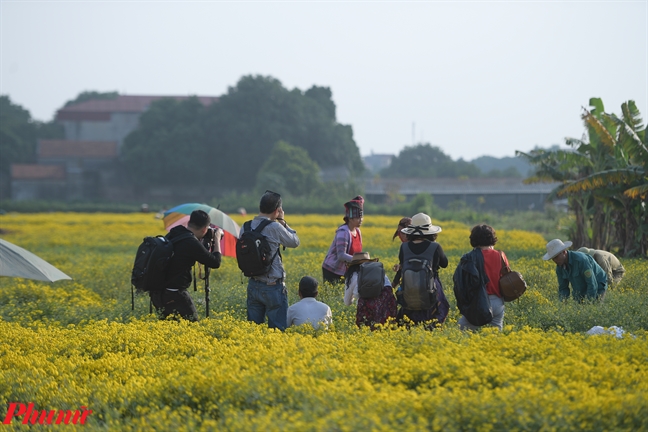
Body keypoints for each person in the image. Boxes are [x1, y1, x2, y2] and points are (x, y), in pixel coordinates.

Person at [150, 210, 223, 321]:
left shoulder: (174, 233)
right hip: (175, 295)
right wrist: (217, 238)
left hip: (157, 294)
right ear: (204, 229)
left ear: (189, 222)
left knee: (169, 330)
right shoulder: (190, 242)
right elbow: (215, 262)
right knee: (192, 327)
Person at [242, 190, 300, 330]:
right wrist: (282, 222)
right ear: (277, 210)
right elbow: (294, 241)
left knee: (253, 331)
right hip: (272, 286)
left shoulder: (246, 226)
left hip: (253, 284)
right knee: (277, 331)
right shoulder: (274, 227)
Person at [395, 213, 450, 328]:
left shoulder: (404, 247)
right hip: (431, 286)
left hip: (409, 286)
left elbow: (402, 265)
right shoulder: (435, 247)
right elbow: (444, 264)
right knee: (440, 309)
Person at [457, 224, 508, 331]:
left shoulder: (470, 257)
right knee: (496, 338)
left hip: (478, 302)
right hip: (497, 302)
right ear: (492, 238)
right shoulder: (500, 255)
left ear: (473, 239)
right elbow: (505, 278)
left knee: (462, 332)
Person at [344, 252, 397, 330]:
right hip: (387, 309)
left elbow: (347, 302)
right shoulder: (379, 272)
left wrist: (356, 297)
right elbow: (389, 289)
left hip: (367, 313)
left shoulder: (352, 276)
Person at [322, 195, 364, 284]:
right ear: (350, 219)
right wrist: (358, 260)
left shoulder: (358, 232)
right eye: (358, 218)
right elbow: (341, 255)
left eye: (361, 217)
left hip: (347, 271)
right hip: (333, 270)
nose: (361, 220)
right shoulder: (343, 232)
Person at [391, 217, 412, 287]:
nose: (400, 235)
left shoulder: (406, 246)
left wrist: (393, 285)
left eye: (402, 233)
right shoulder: (405, 245)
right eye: (399, 233)